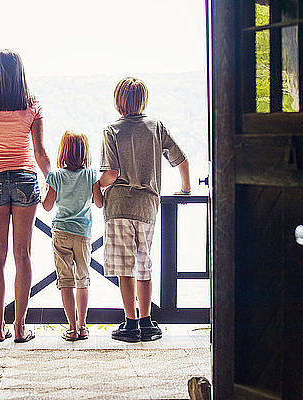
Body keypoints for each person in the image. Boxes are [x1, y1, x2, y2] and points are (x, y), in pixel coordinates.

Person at [99, 77, 191, 342]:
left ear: (118, 100)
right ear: (143, 100)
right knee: (143, 263)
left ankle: (130, 324)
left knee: (124, 268)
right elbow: (181, 160)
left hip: (118, 207)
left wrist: (97, 183)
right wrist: (184, 190)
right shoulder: (155, 126)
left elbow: (111, 173)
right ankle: (147, 321)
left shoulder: (111, 130)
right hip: (148, 207)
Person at [0, 49, 51, 343]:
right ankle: (19, 328)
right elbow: (41, 153)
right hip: (26, 180)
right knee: (23, 254)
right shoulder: (32, 105)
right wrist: (51, 182)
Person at [42, 130, 103, 341]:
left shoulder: (56, 176)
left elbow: (48, 206)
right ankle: (83, 325)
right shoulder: (91, 175)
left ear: (63, 152)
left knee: (65, 281)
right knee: (83, 279)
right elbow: (99, 202)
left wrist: (44, 191)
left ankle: (71, 328)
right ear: (85, 152)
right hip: (83, 234)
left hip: (61, 232)